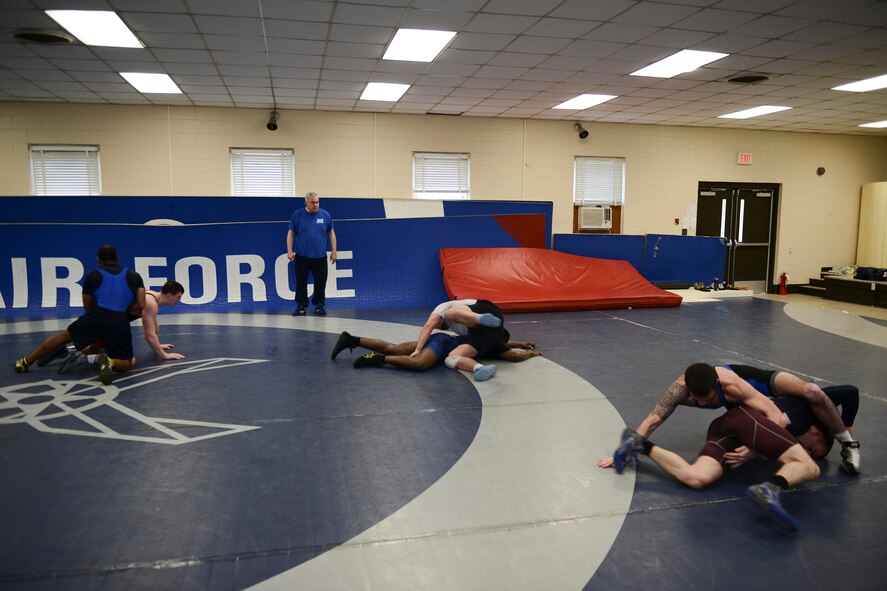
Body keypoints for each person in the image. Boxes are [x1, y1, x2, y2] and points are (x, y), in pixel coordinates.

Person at [599, 362, 861, 474]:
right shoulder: (678, 390)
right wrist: (623, 449)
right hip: (749, 406)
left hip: (763, 384)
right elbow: (652, 420)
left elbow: (773, 415)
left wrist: (754, 448)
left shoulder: (733, 385)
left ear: (716, 385)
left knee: (811, 391)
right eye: (697, 400)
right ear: (687, 390)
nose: (702, 404)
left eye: (708, 398)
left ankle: (848, 442)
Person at [611, 405, 819, 533]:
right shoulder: (806, 411)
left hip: (727, 429)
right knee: (810, 466)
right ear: (817, 432)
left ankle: (639, 443)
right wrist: (845, 433)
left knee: (696, 478)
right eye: (816, 448)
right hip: (748, 421)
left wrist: (755, 449)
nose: (811, 450)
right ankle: (772, 488)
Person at [14, 244, 145, 385]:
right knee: (126, 362)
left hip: (96, 316)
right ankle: (109, 361)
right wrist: (120, 311)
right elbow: (140, 305)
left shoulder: (92, 275)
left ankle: (26, 361)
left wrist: (97, 318)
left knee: (63, 337)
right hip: (119, 320)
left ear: (98, 260)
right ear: (117, 258)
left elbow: (87, 305)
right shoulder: (134, 276)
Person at [13, 280, 186, 372]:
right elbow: (149, 334)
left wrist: (159, 343)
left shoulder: (150, 295)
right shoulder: (151, 303)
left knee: (65, 337)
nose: (179, 301)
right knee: (128, 361)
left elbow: (153, 324)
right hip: (111, 325)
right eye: (178, 297)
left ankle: (34, 359)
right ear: (170, 295)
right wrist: (163, 355)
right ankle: (83, 356)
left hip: (99, 316)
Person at [331, 328, 539, 381]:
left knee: (394, 347)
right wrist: (532, 354)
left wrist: (521, 342)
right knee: (420, 364)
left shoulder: (488, 340)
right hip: (443, 345)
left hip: (442, 338)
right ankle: (377, 359)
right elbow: (513, 355)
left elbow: (506, 345)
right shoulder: (497, 347)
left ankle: (352, 340)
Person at [286, 191, 336, 316]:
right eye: (313, 202)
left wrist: (334, 251)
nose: (316, 205)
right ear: (306, 203)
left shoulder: (325, 215)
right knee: (301, 282)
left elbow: (331, 234)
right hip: (302, 256)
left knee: (321, 281)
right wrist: (290, 251)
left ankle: (319, 305)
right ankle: (301, 306)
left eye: (317, 202)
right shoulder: (297, 215)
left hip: (320, 257)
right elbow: (291, 234)